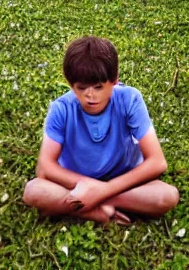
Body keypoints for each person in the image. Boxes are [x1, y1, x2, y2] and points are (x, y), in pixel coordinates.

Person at [23, 36, 179, 224]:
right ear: (70, 84)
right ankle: (97, 212)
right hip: (76, 183)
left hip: (122, 180)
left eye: (98, 87)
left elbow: (157, 162)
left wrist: (102, 191)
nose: (90, 96)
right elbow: (45, 168)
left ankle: (89, 204)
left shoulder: (130, 99)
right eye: (82, 88)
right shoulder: (62, 108)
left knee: (167, 196)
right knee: (33, 191)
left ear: (114, 80)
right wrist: (85, 185)